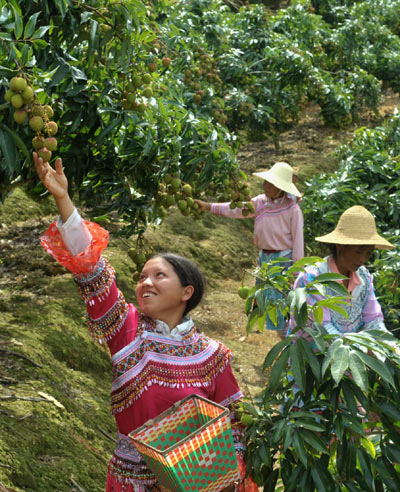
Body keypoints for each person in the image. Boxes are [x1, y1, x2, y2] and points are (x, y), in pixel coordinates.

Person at [34, 153, 258, 492]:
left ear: (187, 292)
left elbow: (236, 427)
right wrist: (63, 199)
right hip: (132, 483)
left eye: (159, 275)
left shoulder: (212, 356)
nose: (145, 283)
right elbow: (92, 268)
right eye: (141, 277)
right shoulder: (126, 330)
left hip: (198, 484)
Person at [195, 161, 304, 332]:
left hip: (283, 260)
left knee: (280, 304)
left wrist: (296, 272)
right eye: (266, 182)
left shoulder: (292, 209)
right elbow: (238, 210)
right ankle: (278, 336)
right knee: (265, 300)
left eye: (271, 183)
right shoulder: (261, 202)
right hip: (265, 258)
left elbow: (298, 241)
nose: (266, 186)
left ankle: (287, 340)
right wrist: (209, 207)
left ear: (281, 187)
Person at [289, 205, 395, 338]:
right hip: (312, 356)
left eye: (368, 253)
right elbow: (323, 331)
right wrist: (363, 349)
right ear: (340, 246)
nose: (362, 259)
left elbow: (373, 319)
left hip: (349, 354)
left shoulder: (364, 278)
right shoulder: (312, 279)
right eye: (358, 252)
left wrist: (388, 344)